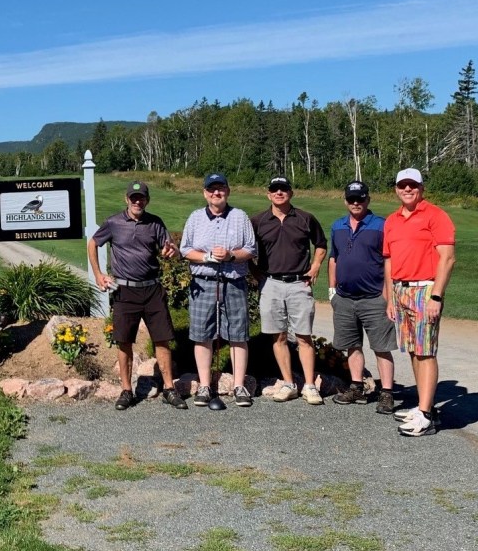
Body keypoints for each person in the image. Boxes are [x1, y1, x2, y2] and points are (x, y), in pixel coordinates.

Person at [88, 181, 186, 411]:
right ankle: (126, 390)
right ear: (126, 199)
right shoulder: (113, 223)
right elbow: (93, 243)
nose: (137, 201)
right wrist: (98, 274)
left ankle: (169, 389)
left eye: (141, 197)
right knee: (124, 342)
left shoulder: (155, 223)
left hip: (152, 289)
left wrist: (172, 252)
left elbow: (171, 250)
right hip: (125, 290)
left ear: (147, 200)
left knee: (162, 340)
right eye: (133, 197)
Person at [384, 168, 456, 437]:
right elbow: (388, 260)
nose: (407, 189)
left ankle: (426, 415)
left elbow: (447, 258)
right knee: (414, 349)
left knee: (426, 351)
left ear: (421, 188)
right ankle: (423, 405)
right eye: (403, 185)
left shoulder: (436, 216)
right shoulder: (392, 220)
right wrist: (390, 296)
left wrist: (436, 295)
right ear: (396, 189)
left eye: (412, 185)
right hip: (401, 291)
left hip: (425, 290)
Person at [179, 174, 257, 409]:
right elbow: (185, 249)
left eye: (220, 189)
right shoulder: (195, 218)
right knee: (202, 335)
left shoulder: (240, 217)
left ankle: (239, 386)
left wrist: (232, 256)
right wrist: (207, 257)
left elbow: (251, 249)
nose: (216, 193)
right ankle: (204, 385)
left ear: (227, 191)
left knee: (238, 334)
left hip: (233, 282)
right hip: (203, 283)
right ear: (205, 193)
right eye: (211, 190)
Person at [251, 176, 328, 405]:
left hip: (298, 283)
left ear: (290, 193)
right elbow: (245, 248)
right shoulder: (258, 221)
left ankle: (310, 385)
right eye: (274, 189)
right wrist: (253, 271)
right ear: (268, 194)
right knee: (279, 336)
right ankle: (288, 383)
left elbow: (321, 244)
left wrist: (314, 267)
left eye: (283, 189)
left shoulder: (305, 219)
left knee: (304, 336)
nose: (279, 193)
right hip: (271, 283)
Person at [328, 181, 398, 413]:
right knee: (352, 345)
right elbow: (333, 259)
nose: (356, 203)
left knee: (381, 346)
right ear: (345, 200)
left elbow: (390, 260)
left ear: (368, 200)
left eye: (360, 199)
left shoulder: (381, 225)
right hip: (345, 298)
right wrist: (332, 289)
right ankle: (356, 386)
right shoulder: (338, 225)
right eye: (351, 199)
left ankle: (386, 392)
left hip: (374, 298)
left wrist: (387, 295)